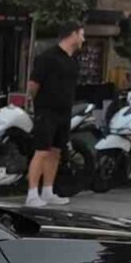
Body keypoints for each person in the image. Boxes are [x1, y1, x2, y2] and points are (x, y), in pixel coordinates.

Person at [26, 21, 85, 208]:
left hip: (64, 112)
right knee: (42, 151)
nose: (83, 39)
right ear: (73, 34)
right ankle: (32, 194)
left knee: (56, 152)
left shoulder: (73, 60)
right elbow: (33, 85)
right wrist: (37, 104)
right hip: (46, 111)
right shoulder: (47, 57)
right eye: (82, 34)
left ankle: (48, 191)